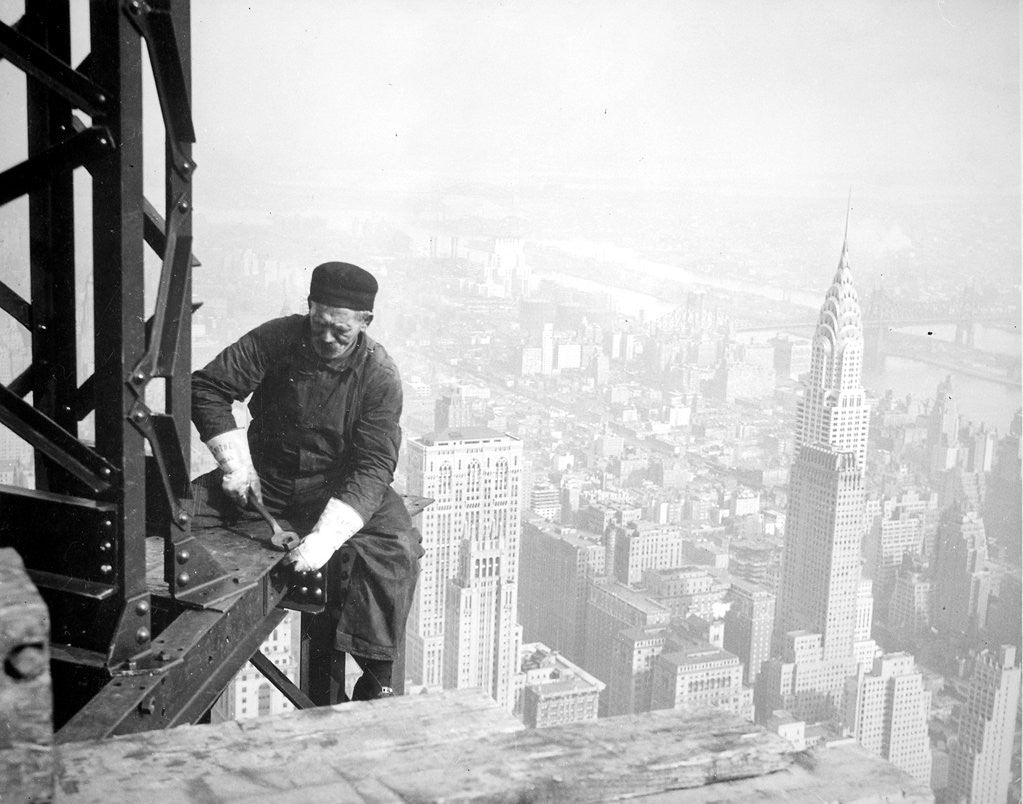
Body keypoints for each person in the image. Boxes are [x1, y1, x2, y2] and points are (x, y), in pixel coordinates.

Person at [190, 261, 422, 703]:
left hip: (337, 487)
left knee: (396, 546)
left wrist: (326, 538)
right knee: (180, 512)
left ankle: (377, 672)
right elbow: (209, 387)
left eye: (340, 331)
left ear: (365, 323)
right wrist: (236, 465)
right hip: (267, 478)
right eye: (319, 324)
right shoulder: (276, 337)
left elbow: (373, 464)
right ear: (309, 308)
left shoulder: (379, 374)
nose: (327, 338)